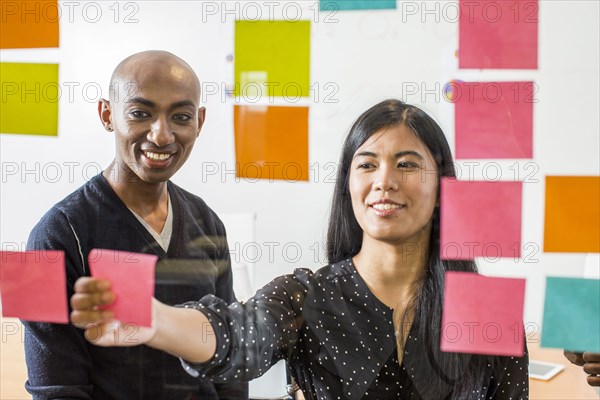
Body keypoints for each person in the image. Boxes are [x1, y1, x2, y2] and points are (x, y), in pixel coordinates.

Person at [70, 99, 529, 399]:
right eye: (366, 164)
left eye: (407, 164)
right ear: (349, 185)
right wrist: (154, 319)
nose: (384, 181)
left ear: (442, 186)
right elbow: (233, 336)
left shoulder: (488, 312)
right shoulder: (305, 296)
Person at [24, 51, 248, 399]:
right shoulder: (50, 236)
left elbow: (229, 356)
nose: (161, 135)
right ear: (107, 114)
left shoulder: (208, 222)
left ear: (199, 122)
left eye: (181, 116)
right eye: (140, 114)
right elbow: (53, 388)